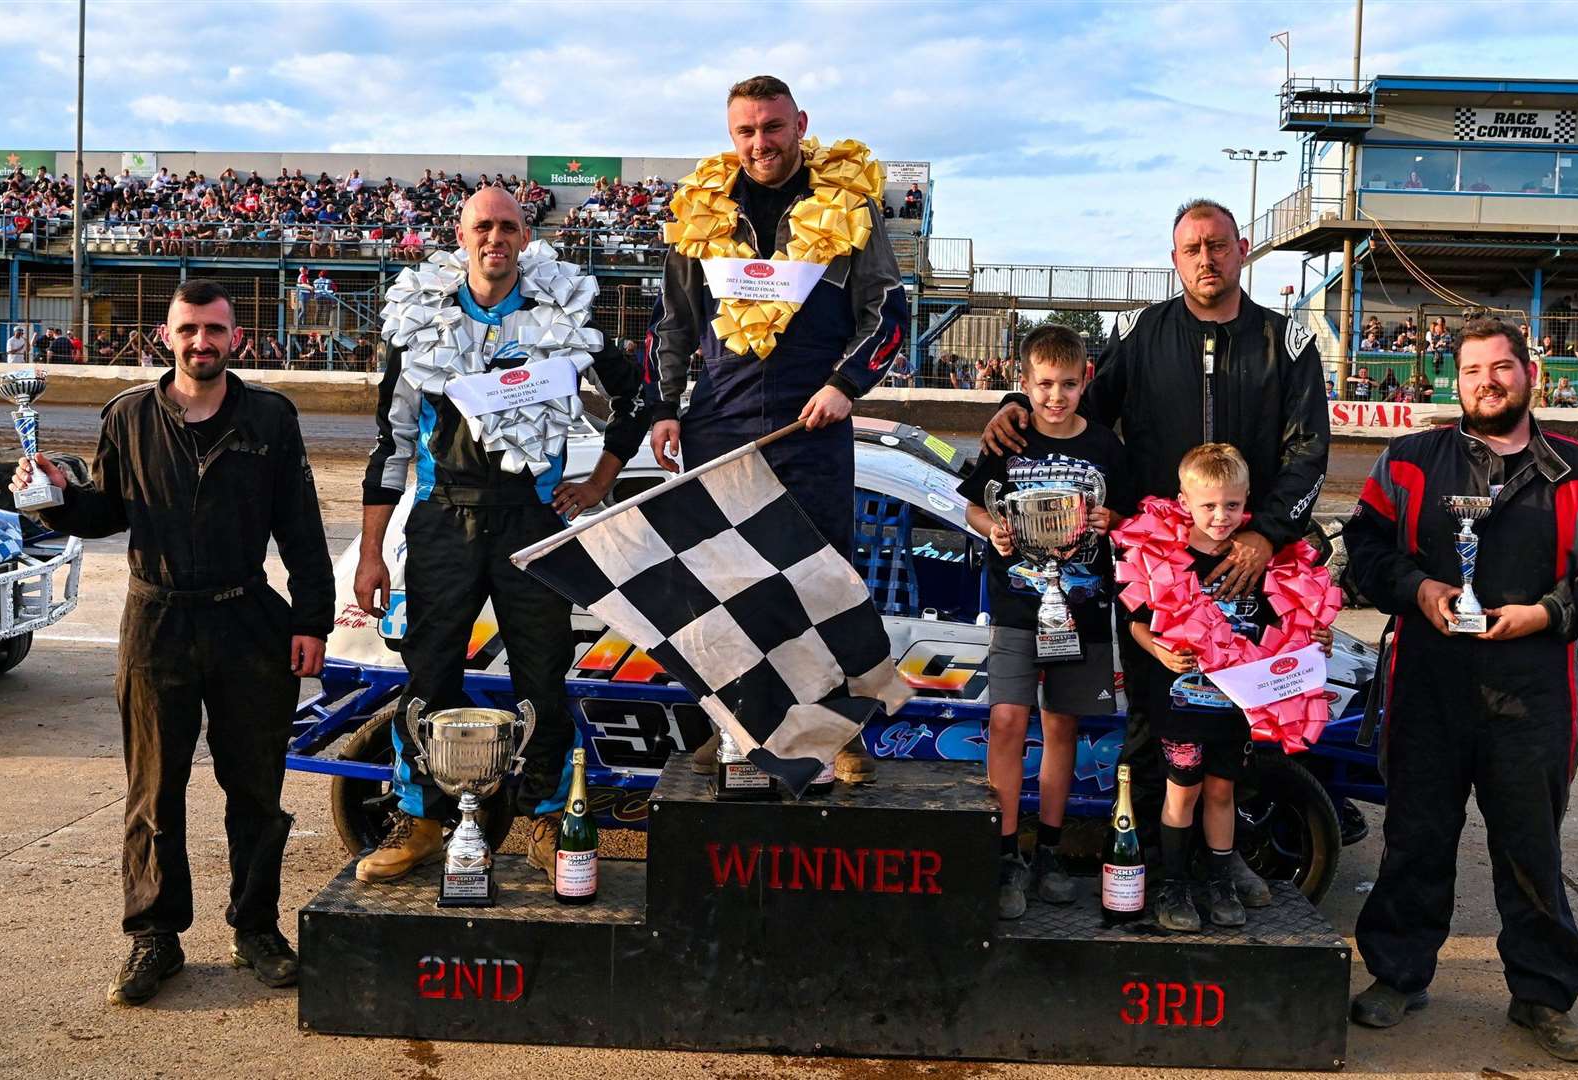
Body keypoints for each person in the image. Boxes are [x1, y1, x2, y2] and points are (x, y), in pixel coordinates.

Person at [12, 279, 335, 1007]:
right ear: (167, 335)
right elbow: (107, 514)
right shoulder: (127, 416)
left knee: (255, 790)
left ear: (236, 338)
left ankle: (255, 928)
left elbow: (303, 530)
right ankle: (154, 936)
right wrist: (52, 495)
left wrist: (312, 621)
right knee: (153, 790)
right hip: (156, 621)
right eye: (188, 329)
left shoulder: (271, 419)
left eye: (214, 330)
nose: (201, 342)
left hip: (248, 619)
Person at [1341, 317, 1578, 1061]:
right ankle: (1399, 972)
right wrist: (1419, 589)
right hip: (1427, 681)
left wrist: (1547, 612)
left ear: (1528, 375)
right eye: (1473, 369)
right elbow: (1365, 552)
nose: (1487, 381)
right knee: (1415, 835)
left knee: (1528, 845)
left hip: (1533, 684)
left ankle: (1541, 994)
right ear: (1457, 381)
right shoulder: (1408, 462)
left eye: (1501, 367)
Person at [981, 198, 1329, 848]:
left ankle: (1225, 863)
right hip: (1158, 572)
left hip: (1244, 565)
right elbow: (1074, 408)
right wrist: (1011, 403)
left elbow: (1310, 451)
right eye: (1192, 248)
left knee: (1236, 724)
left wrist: (1266, 534)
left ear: (1242, 249)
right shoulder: (1145, 335)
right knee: (1154, 721)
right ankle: (1146, 871)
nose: (1207, 258)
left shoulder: (1285, 341)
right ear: (1175, 259)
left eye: (1218, 245)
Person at [352, 187, 650, 887]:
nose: (495, 237)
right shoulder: (418, 318)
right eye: (482, 226)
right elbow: (390, 443)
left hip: (532, 517)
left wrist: (604, 477)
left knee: (542, 675)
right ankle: (423, 819)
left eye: (508, 226)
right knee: (429, 676)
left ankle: (548, 818)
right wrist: (372, 552)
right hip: (443, 517)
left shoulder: (561, 313)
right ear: (462, 236)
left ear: (524, 237)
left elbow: (634, 395)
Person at [647, 74, 909, 784]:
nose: (760, 143)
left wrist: (845, 386)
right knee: (722, 587)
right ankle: (734, 729)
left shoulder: (850, 204)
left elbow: (886, 311)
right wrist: (664, 405)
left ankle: (836, 733)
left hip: (811, 419)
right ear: (730, 136)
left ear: (800, 124)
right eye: (746, 131)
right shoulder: (700, 209)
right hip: (720, 421)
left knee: (822, 582)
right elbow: (671, 323)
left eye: (772, 127)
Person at [959, 325, 1131, 919]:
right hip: (1015, 606)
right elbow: (973, 503)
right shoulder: (1009, 438)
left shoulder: (1108, 446)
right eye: (1043, 385)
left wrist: (1112, 521)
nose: (1055, 397)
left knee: (1061, 727)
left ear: (1085, 381)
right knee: (1007, 720)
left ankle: (1050, 851)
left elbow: (1130, 516)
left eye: (1065, 384)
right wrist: (993, 528)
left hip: (1081, 609)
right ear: (1023, 383)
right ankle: (1005, 852)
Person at [1126, 444, 1333, 932]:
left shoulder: (1259, 561)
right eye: (1209, 506)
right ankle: (1173, 884)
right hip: (1180, 705)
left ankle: (1220, 879)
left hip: (1236, 708)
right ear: (1184, 501)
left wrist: (1314, 634)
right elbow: (1136, 621)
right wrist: (1158, 652)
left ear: (1247, 502)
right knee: (1182, 792)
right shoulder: (1164, 558)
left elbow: (1289, 622)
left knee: (1222, 792)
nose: (1221, 517)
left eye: (1233, 506)